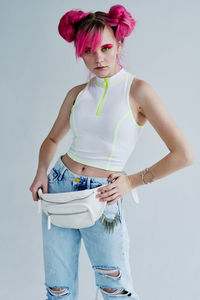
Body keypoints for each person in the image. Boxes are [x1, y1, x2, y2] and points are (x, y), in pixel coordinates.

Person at [29, 4, 195, 300]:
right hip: (58, 189)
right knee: (58, 290)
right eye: (88, 50)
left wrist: (131, 181)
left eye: (106, 47)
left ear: (119, 44)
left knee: (115, 291)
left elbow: (183, 154)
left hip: (103, 197)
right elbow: (52, 140)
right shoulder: (77, 94)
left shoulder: (138, 91)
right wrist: (42, 171)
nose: (98, 58)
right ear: (80, 53)